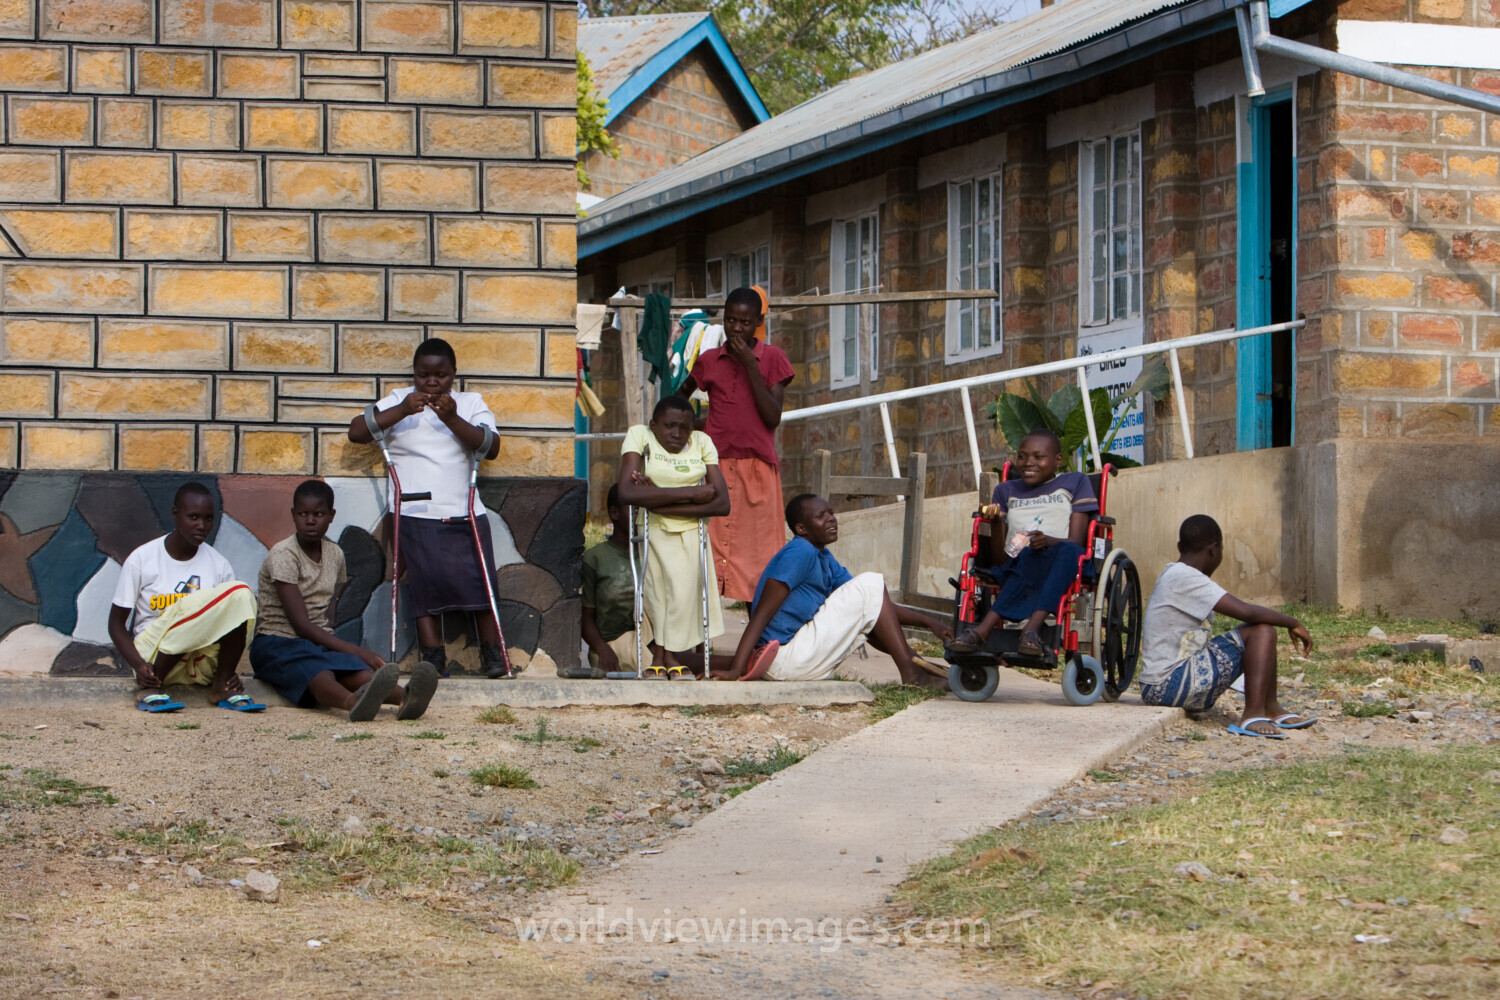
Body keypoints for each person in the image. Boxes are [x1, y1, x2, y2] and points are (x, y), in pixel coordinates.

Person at [346, 337, 509, 679]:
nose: (432, 383)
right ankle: (432, 657)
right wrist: (403, 409)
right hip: (414, 510)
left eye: (441, 375)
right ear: (414, 374)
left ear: (454, 375)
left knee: (481, 583)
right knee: (423, 586)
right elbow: (358, 431)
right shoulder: (397, 400)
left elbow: (490, 447)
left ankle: (493, 654)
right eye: (424, 375)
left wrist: (452, 418)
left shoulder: (469, 402)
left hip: (464, 509)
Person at [250, 480, 441, 721]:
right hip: (276, 643)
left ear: (331, 516)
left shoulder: (335, 553)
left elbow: (329, 608)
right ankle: (353, 703)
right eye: (303, 514)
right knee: (320, 672)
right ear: (293, 515)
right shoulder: (283, 554)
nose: (310, 520)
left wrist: (343, 649)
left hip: (314, 642)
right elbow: (301, 625)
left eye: (318, 514)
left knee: (352, 669)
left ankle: (407, 697)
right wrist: (362, 652)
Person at [715, 494, 952, 685]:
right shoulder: (800, 553)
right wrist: (736, 670)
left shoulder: (824, 558)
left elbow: (876, 606)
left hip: (798, 657)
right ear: (801, 528)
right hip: (782, 658)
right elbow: (760, 616)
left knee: (869, 589)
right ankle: (912, 673)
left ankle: (914, 666)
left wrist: (929, 622)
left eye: (831, 513)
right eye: (821, 516)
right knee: (870, 582)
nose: (831, 519)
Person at [1139, 514, 1316, 738]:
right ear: (1214, 549)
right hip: (1167, 685)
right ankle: (1253, 714)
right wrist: (1293, 622)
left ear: (1179, 546)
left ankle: (1271, 708)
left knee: (1261, 630)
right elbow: (1249, 612)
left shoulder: (1176, 574)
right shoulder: (1185, 577)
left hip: (1163, 686)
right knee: (1262, 630)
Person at [680, 285, 795, 603]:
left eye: (745, 322)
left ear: (758, 322)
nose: (736, 328)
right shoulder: (709, 360)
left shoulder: (773, 358)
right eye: (731, 321)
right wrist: (695, 425)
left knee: (759, 557)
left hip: (757, 470)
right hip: (715, 467)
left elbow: (772, 417)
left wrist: (750, 365)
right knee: (707, 554)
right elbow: (679, 399)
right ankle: (701, 644)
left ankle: (757, 641)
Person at [107, 483, 258, 712]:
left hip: (197, 664)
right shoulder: (143, 559)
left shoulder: (218, 564)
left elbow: (229, 626)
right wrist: (139, 666)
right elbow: (116, 625)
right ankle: (152, 686)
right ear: (175, 514)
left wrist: (227, 671)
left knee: (240, 598)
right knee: (189, 605)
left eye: (208, 519)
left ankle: (221, 685)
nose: (202, 525)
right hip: (152, 660)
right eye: (193, 517)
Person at [946, 429, 1097, 657]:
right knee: (1027, 554)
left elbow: (1076, 540)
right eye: (1022, 456)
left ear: (1058, 460)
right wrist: (997, 523)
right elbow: (1000, 559)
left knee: (1067, 550)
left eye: (1039, 456)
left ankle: (1003, 629)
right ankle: (1028, 634)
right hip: (1017, 562)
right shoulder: (1006, 490)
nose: (1028, 463)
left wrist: (1048, 541)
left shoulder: (1075, 482)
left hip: (1064, 560)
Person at [617, 394, 730, 679]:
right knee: (657, 595)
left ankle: (666, 654)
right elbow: (627, 492)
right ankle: (662, 653)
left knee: (684, 596)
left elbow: (722, 504)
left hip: (693, 532)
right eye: (669, 426)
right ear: (654, 425)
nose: (677, 434)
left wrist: (655, 498)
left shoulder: (703, 443)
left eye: (684, 427)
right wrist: (692, 494)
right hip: (653, 530)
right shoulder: (640, 435)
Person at [579, 484, 661, 678]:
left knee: (671, 657)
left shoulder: (653, 555)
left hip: (654, 641)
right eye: (634, 510)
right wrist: (602, 649)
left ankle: (740, 664)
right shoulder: (595, 558)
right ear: (614, 513)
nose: (640, 516)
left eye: (644, 510)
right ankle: (739, 664)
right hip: (612, 648)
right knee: (669, 662)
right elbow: (585, 618)